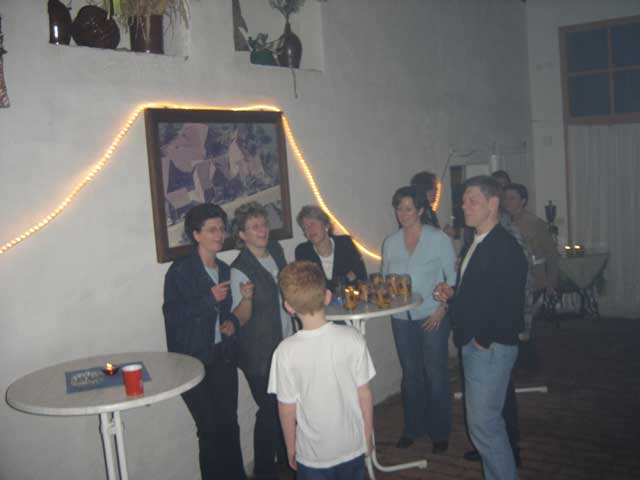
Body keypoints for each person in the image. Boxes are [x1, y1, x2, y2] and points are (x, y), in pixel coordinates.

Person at [435, 175, 527, 480]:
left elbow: (509, 304)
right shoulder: (475, 241)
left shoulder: (505, 246)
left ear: (493, 204)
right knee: (484, 426)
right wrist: (453, 294)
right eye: (463, 201)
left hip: (489, 347)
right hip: (478, 343)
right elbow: (481, 292)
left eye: (472, 201)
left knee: (485, 427)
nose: (464, 206)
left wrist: (482, 341)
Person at [268, 261, 375, 480]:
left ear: (288, 306)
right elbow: (364, 393)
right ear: (327, 296)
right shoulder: (353, 338)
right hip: (352, 447)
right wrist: (367, 436)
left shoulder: (285, 352)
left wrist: (290, 447)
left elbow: (287, 408)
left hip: (312, 455)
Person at [162, 203, 246, 480]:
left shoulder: (224, 269)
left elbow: (226, 312)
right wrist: (208, 299)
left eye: (221, 228)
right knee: (209, 429)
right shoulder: (180, 271)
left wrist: (231, 323)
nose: (219, 235)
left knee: (230, 424)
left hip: (222, 355)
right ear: (196, 235)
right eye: (212, 230)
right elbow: (173, 316)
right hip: (192, 361)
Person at [382, 186, 457, 454]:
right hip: (402, 319)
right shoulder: (391, 242)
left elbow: (452, 278)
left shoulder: (437, 238)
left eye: (408, 209)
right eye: (399, 209)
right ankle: (413, 428)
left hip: (433, 315)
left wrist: (442, 308)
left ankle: (440, 431)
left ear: (421, 210)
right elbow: (386, 280)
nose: (402, 214)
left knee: (435, 375)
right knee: (411, 375)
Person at [230, 201, 292, 480]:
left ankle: (286, 462)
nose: (262, 230)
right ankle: (265, 472)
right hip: (258, 354)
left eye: (264, 224)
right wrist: (246, 299)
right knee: (269, 410)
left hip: (286, 344)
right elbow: (240, 318)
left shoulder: (276, 251)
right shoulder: (240, 269)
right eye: (254, 227)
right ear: (242, 235)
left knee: (284, 407)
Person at [504, 183, 559, 369]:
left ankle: (528, 362)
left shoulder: (535, 223)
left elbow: (551, 254)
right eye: (505, 198)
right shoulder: (503, 222)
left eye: (512, 198)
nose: (507, 202)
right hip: (511, 281)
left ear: (523, 201)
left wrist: (551, 282)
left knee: (525, 323)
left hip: (533, 279)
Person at [294, 205, 368, 290]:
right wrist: (345, 279)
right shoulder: (302, 252)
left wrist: (326, 285)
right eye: (305, 227)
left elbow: (362, 279)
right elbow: (306, 287)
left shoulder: (345, 243)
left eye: (312, 224)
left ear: (326, 225)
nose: (310, 229)